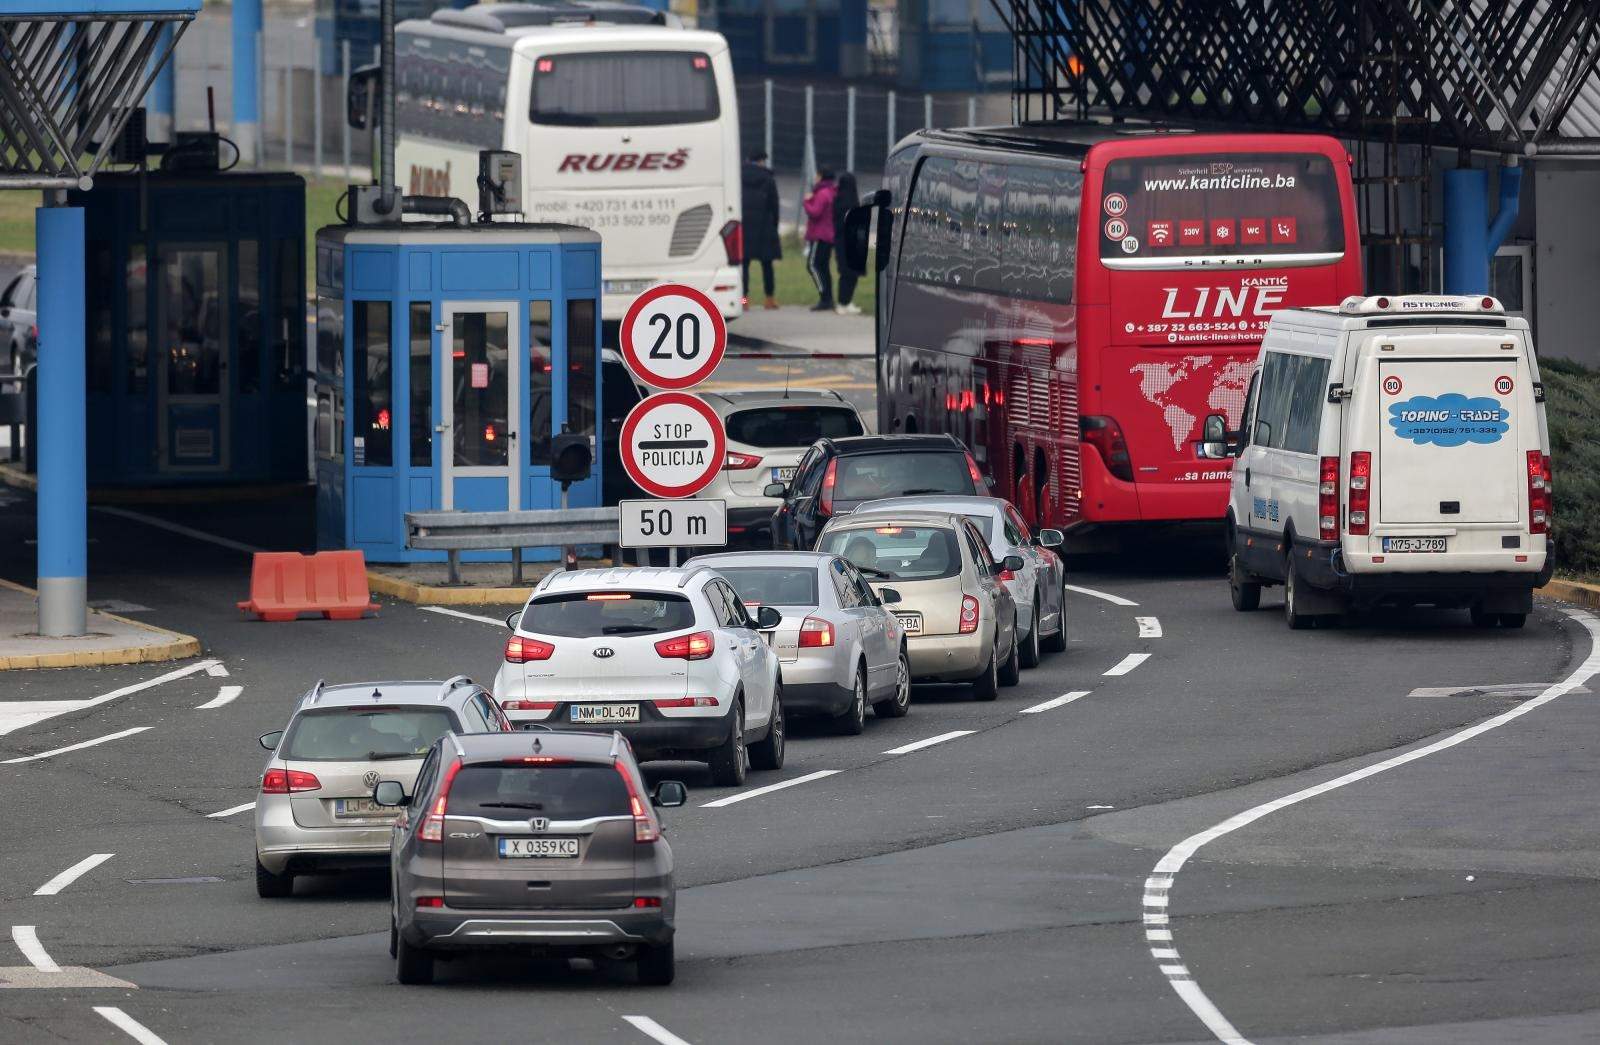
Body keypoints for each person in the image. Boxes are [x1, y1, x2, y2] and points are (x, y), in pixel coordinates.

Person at [740, 150, 781, 310]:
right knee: (767, 266)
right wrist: (774, 225)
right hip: (765, 226)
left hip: (744, 227)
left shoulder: (738, 176)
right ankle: (769, 300)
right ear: (762, 161)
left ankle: (744, 302)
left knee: (743, 266)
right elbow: (774, 205)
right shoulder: (768, 178)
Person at [802, 167, 838, 312]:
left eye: (817, 175)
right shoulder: (831, 191)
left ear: (821, 176)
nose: (815, 177)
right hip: (828, 235)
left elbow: (815, 212)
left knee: (812, 265)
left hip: (819, 235)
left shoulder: (822, 193)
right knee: (823, 267)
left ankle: (825, 298)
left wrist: (806, 201)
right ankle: (828, 298)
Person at [832, 171, 863, 315]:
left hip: (841, 241)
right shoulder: (852, 202)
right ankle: (844, 302)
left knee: (846, 273)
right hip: (851, 242)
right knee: (851, 273)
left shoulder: (838, 200)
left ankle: (844, 302)